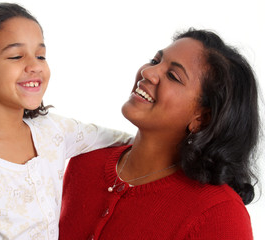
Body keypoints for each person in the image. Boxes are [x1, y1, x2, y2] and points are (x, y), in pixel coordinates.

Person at [0, 3, 132, 240]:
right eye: (16, 56)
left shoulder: (53, 131)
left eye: (41, 55)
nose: (34, 66)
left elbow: (125, 140)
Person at [59, 28, 260, 240]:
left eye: (173, 76)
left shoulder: (219, 214)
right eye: (155, 61)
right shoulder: (84, 162)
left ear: (202, 118)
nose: (148, 72)